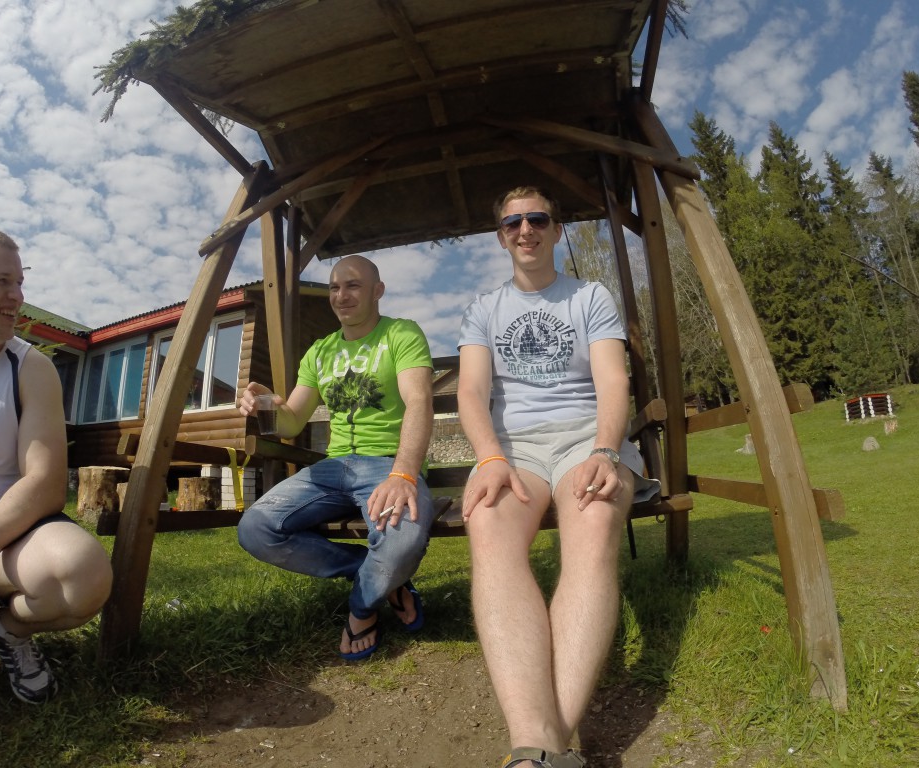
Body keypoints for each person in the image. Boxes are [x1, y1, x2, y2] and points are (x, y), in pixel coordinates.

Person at [457, 187, 661, 768]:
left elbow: (613, 381)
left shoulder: (589, 297)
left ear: (556, 229)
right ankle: (541, 745)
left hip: (585, 439)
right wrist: (490, 457)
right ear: (501, 237)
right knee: (488, 524)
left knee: (594, 523)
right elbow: (471, 391)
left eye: (537, 219)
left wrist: (605, 449)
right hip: (513, 449)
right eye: (513, 223)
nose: (525, 229)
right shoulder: (483, 309)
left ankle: (543, 748)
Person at [237, 254, 434, 661]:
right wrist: (267, 403)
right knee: (255, 528)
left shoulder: (401, 333)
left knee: (403, 541)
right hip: (333, 469)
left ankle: (362, 609)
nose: (341, 295)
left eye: (353, 285)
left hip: (387, 465)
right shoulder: (320, 351)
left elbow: (419, 401)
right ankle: (379, 577)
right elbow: (292, 421)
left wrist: (403, 474)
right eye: (334, 287)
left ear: (377, 291)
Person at [0, 230, 113, 704]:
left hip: (5, 541)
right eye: (1, 281)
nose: (17, 296)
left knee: (80, 574)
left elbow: (44, 483)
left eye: (20, 283)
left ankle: (10, 633)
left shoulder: (29, 367)